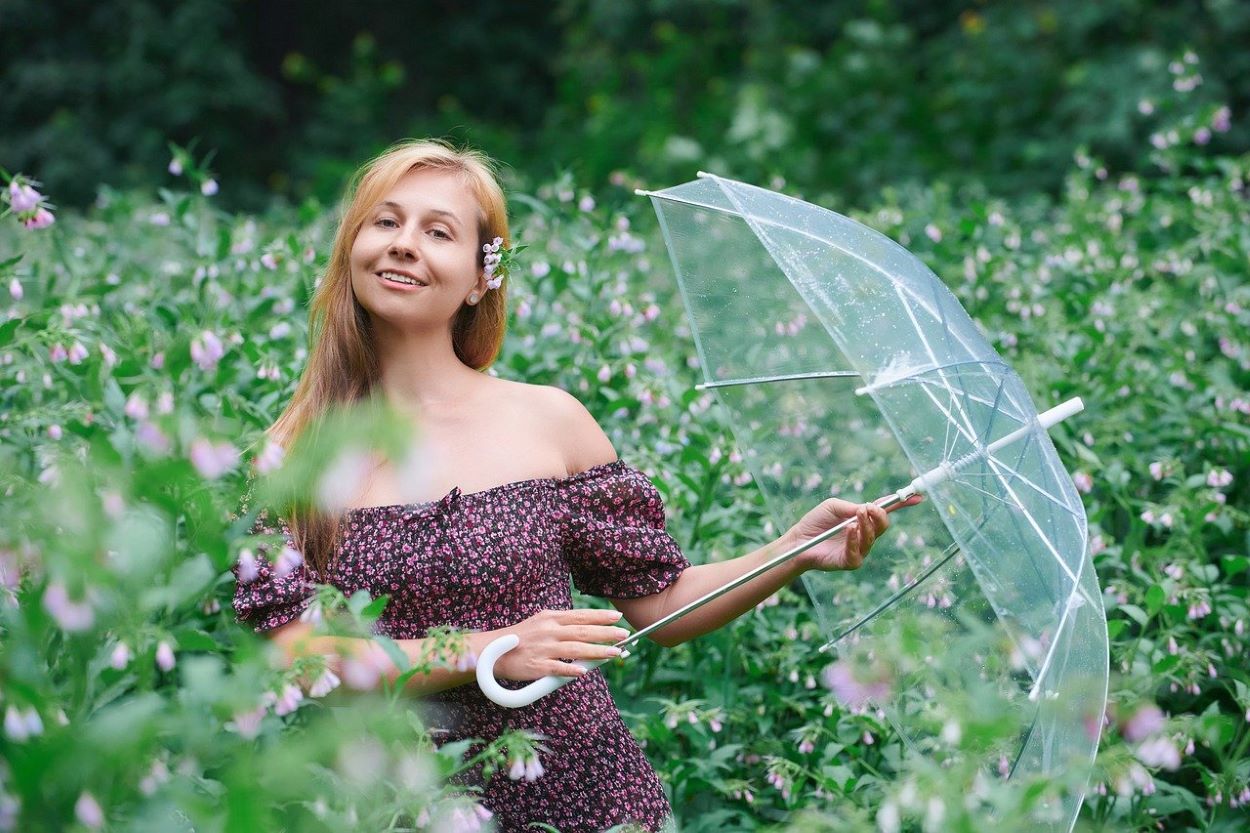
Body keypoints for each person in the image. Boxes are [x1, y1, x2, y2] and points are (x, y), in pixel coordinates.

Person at [231, 138, 922, 832]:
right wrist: (493, 649)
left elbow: (665, 606)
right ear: (353, 248)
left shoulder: (548, 420)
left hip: (584, 796)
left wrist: (791, 550)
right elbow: (297, 657)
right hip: (396, 803)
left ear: (479, 278)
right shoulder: (295, 455)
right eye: (386, 222)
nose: (405, 244)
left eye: (437, 231)